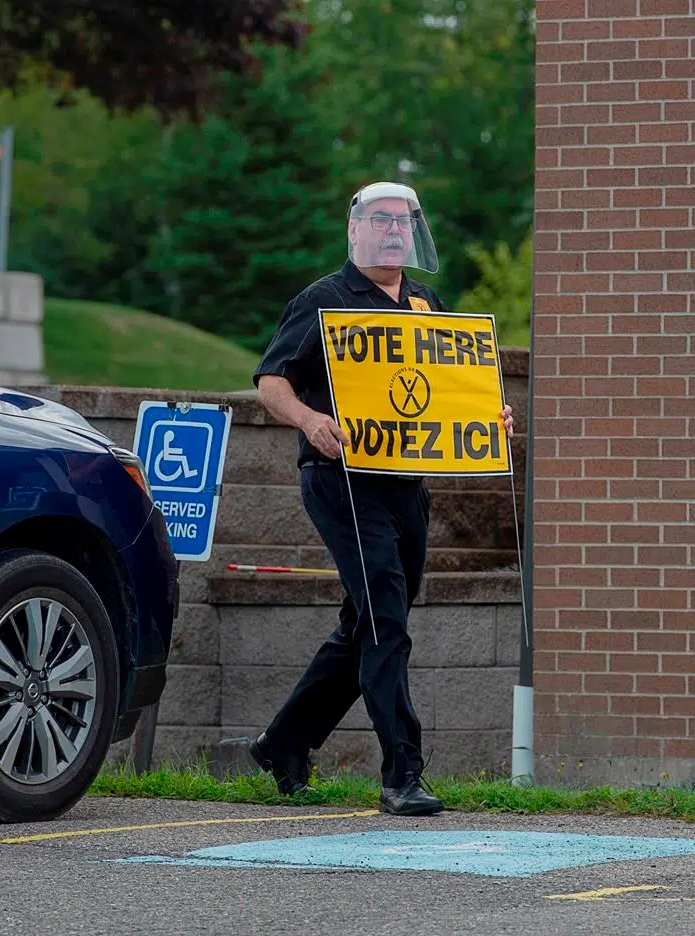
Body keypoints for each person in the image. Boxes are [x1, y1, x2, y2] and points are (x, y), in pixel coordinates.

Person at [247, 181, 514, 816]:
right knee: (386, 619)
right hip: (341, 480)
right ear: (354, 231)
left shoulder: (425, 301)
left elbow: (452, 386)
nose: (394, 231)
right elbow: (269, 382)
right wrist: (312, 421)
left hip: (405, 483)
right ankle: (403, 771)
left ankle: (284, 743)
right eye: (381, 220)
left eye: (404, 221)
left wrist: (488, 415)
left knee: (368, 621)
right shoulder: (324, 301)